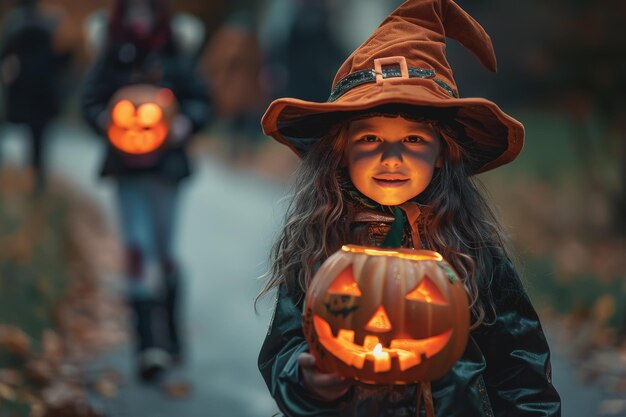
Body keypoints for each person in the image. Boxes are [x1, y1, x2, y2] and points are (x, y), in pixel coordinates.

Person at [256, 0, 561, 416]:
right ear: (341, 152)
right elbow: (284, 349)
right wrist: (305, 376)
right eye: (369, 139)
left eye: (414, 140)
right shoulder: (320, 246)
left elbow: (520, 371)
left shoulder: (473, 251)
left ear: (441, 153)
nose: (392, 157)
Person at [81, 0, 210, 381]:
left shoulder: (176, 50)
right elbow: (89, 100)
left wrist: (188, 121)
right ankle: (147, 345)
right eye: (132, 10)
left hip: (166, 169)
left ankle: (170, 336)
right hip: (127, 170)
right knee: (136, 248)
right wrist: (103, 119)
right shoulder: (110, 53)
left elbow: (202, 99)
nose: (139, 18)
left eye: (145, 10)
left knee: (164, 251)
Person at [0, 0, 71, 191]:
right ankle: (36, 179)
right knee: (38, 141)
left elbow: (7, 58)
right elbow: (60, 61)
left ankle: (33, 180)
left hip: (26, 94)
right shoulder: (47, 26)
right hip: (42, 95)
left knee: (31, 139)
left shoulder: (15, 25)